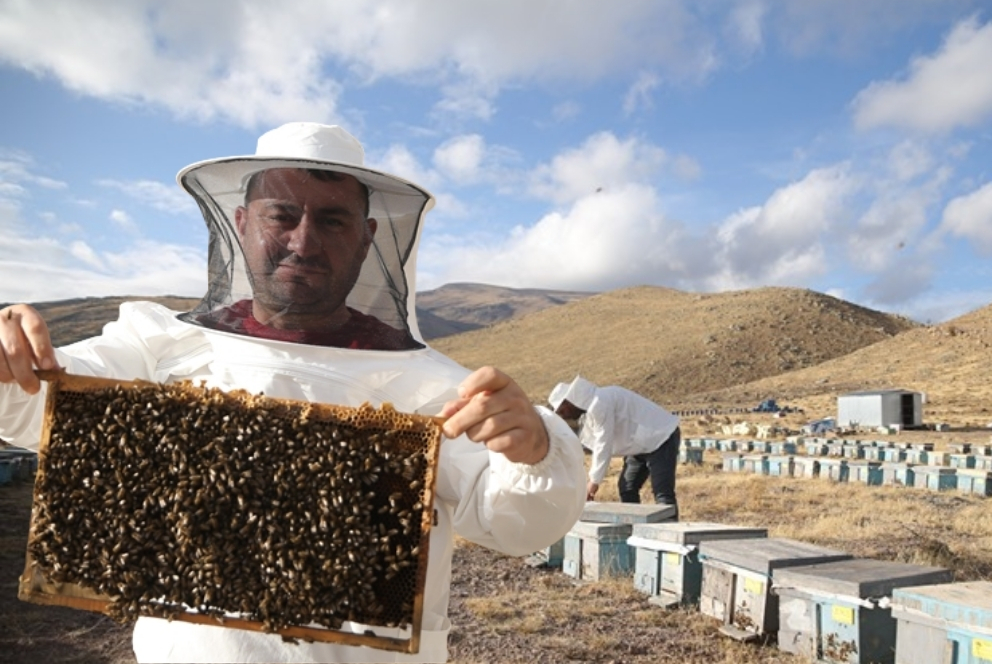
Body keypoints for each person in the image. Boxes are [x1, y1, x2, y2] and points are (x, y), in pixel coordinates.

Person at [0, 122, 587, 663]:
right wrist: (12, 364)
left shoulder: (433, 386)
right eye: (281, 215)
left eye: (332, 221)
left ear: (367, 239)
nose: (304, 242)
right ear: (241, 224)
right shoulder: (156, 348)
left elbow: (517, 524)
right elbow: (38, 404)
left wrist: (531, 450)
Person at [550, 375, 680, 514]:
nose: (564, 415)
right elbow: (588, 443)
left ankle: (670, 532)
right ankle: (634, 528)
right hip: (638, 447)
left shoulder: (600, 402)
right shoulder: (590, 411)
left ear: (570, 401)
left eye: (563, 411)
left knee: (662, 494)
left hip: (661, 437)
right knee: (627, 487)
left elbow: (603, 443)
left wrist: (593, 482)